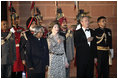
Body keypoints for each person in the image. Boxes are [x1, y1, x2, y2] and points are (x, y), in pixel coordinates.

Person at [11, 13, 25, 78]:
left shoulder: (22, 29)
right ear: (12, 20)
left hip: (20, 50)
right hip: (13, 51)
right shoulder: (10, 29)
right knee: (13, 69)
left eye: (17, 19)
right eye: (14, 19)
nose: (16, 20)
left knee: (20, 69)